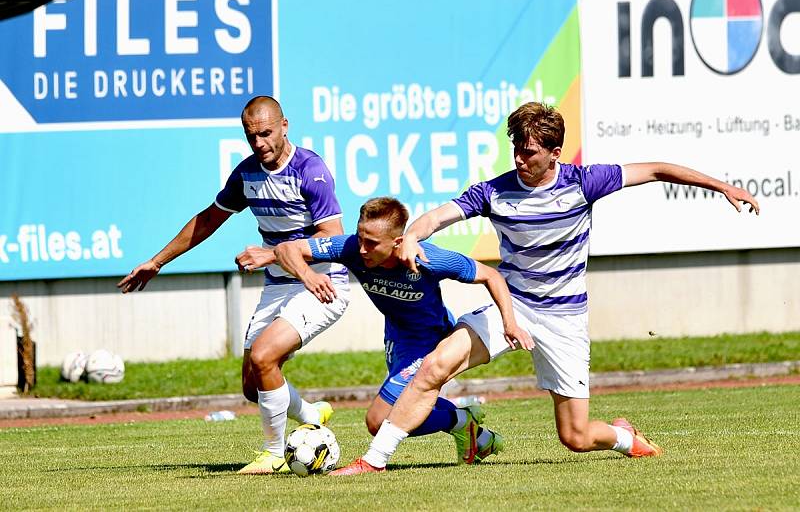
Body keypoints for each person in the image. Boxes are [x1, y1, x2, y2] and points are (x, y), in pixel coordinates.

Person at [331, 101, 761, 475]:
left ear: (554, 153)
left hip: (564, 320)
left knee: (575, 436)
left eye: (530, 152)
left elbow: (654, 169)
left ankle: (624, 437)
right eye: (516, 148)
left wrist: (722, 186)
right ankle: (374, 459)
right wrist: (412, 236)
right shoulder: (493, 192)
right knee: (434, 367)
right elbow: (437, 218)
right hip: (511, 307)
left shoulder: (584, 182)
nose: (520, 158)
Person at [117, 96, 350, 474]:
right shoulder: (246, 174)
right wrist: (157, 262)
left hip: (320, 284)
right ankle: (312, 414)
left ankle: (273, 454)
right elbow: (208, 219)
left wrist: (270, 254)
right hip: (279, 285)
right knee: (252, 386)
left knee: (264, 356)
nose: (259, 143)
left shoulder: (311, 170)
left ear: (285, 125)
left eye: (266, 133)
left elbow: (333, 238)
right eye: (251, 136)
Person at [240, 196, 532, 468]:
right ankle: (470, 430)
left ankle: (460, 422)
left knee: (378, 420)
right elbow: (288, 249)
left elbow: (491, 275)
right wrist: (306, 274)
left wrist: (510, 322)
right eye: (360, 238)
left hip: (429, 341)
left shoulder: (428, 258)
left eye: (372, 243)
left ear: (397, 242)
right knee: (402, 407)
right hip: (397, 337)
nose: (363, 249)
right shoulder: (352, 248)